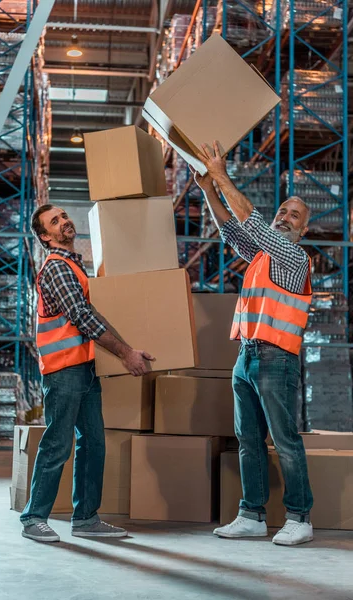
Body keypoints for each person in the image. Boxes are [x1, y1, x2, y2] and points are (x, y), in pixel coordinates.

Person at [192, 142, 313, 547]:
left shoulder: (294, 258)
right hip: (246, 356)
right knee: (248, 440)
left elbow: (253, 222)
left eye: (293, 214)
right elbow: (232, 229)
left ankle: (299, 517)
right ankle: (252, 514)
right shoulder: (263, 256)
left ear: (303, 228)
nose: (284, 216)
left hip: (277, 359)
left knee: (285, 441)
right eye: (282, 210)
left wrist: (222, 174)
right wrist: (208, 189)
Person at [20, 204, 155, 543]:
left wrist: (130, 349)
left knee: (93, 443)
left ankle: (86, 518)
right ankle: (34, 517)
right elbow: (82, 316)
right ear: (45, 236)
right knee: (57, 443)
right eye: (55, 221)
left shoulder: (75, 267)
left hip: (85, 369)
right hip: (64, 371)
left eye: (64, 216)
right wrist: (125, 354)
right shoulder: (56, 268)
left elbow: (95, 314)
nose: (64, 221)